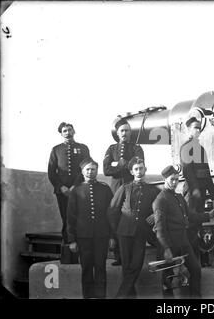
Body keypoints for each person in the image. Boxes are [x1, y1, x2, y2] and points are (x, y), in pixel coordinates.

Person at [153, 165, 214, 298]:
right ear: (164, 179)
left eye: (177, 179)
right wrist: (166, 249)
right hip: (170, 245)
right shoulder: (160, 200)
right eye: (172, 179)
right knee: (168, 278)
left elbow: (191, 215)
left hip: (183, 242)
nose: (175, 182)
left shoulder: (179, 197)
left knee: (195, 270)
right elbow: (159, 228)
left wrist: (208, 215)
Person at [108, 157, 160, 298]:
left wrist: (156, 215)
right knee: (126, 267)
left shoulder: (153, 190)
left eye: (141, 168)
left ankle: (120, 296)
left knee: (136, 265)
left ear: (145, 169)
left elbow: (163, 206)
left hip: (141, 233)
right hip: (123, 232)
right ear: (131, 171)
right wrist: (116, 231)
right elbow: (113, 210)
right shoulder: (124, 188)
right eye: (136, 169)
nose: (139, 171)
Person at [67, 158, 114, 299]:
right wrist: (72, 240)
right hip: (83, 237)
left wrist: (112, 236)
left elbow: (111, 214)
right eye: (87, 169)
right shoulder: (76, 190)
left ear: (97, 171)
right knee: (86, 267)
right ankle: (87, 296)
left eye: (93, 169)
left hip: (102, 236)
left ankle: (101, 296)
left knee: (100, 267)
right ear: (82, 172)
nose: (90, 172)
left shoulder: (105, 189)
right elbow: (70, 217)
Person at [103, 118, 144, 266]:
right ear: (117, 133)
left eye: (127, 130)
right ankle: (118, 255)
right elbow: (106, 170)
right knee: (116, 217)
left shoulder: (136, 148)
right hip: (116, 189)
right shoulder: (111, 149)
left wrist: (119, 164)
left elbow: (138, 166)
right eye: (122, 131)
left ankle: (132, 254)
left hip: (131, 188)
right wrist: (124, 165)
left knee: (131, 218)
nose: (124, 133)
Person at [180, 116, 214, 267]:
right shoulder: (186, 147)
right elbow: (188, 172)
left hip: (200, 192)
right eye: (195, 128)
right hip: (192, 192)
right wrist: (196, 191)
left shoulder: (201, 148)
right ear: (188, 130)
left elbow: (207, 174)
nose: (197, 130)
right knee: (191, 225)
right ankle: (190, 259)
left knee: (199, 225)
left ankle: (200, 258)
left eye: (199, 128)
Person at [48, 122, 90, 244]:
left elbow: (87, 167)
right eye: (65, 131)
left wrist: (74, 187)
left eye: (69, 130)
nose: (67, 133)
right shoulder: (56, 150)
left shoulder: (83, 148)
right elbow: (51, 172)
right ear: (61, 134)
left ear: (74, 131)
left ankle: (82, 248)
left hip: (80, 190)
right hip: (62, 192)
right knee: (66, 219)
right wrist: (61, 187)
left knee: (81, 218)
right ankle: (68, 249)